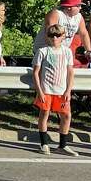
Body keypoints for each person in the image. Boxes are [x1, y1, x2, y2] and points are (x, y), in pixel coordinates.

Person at [32, 25, 77, 156]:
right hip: (46, 88)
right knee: (44, 113)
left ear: (63, 36)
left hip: (61, 90)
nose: (55, 38)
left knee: (66, 116)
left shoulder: (67, 52)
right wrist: (39, 91)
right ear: (47, 37)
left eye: (58, 35)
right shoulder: (43, 51)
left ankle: (63, 145)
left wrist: (68, 90)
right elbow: (36, 72)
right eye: (52, 35)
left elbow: (70, 72)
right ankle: (44, 143)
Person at [34, 0, 91, 66]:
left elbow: (84, 34)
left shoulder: (78, 17)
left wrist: (88, 51)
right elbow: (50, 33)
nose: (80, 8)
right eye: (78, 6)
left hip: (61, 52)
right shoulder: (56, 14)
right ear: (69, 7)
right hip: (45, 50)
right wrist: (54, 51)